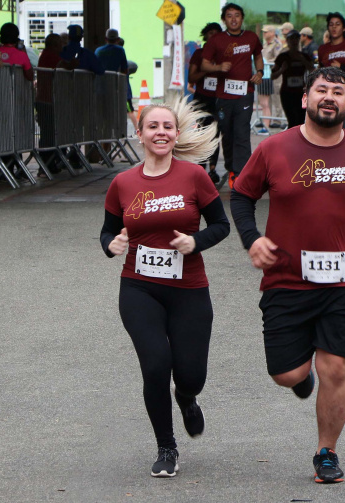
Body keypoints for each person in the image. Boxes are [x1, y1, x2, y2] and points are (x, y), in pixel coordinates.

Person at [230, 67, 345, 484]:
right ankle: (299, 376)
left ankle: (326, 452)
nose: (329, 97)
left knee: (336, 368)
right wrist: (252, 239)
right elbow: (241, 195)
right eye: (321, 90)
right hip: (287, 279)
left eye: (338, 92)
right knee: (286, 374)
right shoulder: (274, 149)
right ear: (305, 99)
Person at [100, 97, 229, 478]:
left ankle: (186, 398)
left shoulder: (194, 177)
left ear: (176, 134)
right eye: (152, 126)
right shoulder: (123, 183)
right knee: (156, 365)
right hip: (139, 289)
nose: (160, 132)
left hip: (189, 288)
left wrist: (196, 242)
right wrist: (111, 245)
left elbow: (220, 225)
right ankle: (166, 447)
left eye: (167, 127)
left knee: (191, 375)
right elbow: (108, 230)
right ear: (139, 134)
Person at [200, 2, 263, 188]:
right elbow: (204, 64)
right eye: (229, 15)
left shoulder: (251, 37)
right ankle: (230, 166)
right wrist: (218, 67)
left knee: (242, 133)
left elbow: (258, 55)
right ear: (224, 19)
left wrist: (259, 72)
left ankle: (241, 172)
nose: (233, 19)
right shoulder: (216, 40)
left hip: (245, 93)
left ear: (242, 18)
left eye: (237, 15)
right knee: (227, 133)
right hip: (223, 94)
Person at [187, 22, 223, 185]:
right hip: (203, 99)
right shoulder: (199, 54)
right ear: (205, 35)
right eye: (210, 33)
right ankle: (200, 168)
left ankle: (213, 169)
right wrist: (208, 70)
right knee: (202, 133)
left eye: (217, 33)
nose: (214, 36)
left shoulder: (224, 55)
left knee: (216, 134)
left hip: (221, 98)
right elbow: (191, 79)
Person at [271, 30, 313, 128]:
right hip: (287, 93)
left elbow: (313, 70)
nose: (294, 42)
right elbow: (273, 76)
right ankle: (292, 141)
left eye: (296, 39)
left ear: (298, 40)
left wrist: (303, 61)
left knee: (301, 120)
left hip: (301, 93)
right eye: (291, 39)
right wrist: (282, 70)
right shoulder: (282, 57)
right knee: (292, 119)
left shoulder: (305, 56)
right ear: (287, 41)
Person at [258, 24, 281, 130]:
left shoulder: (277, 44)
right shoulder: (265, 44)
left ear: (272, 33)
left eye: (266, 32)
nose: (264, 34)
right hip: (266, 75)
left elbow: (278, 58)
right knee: (267, 99)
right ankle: (267, 119)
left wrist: (266, 62)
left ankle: (277, 119)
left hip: (274, 73)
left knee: (276, 96)